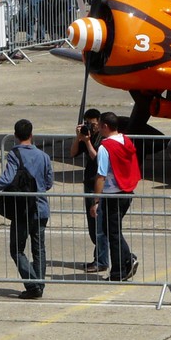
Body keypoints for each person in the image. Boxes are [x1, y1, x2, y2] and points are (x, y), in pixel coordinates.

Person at [0, 118, 53, 299]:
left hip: (22, 209)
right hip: (40, 208)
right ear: (31, 135)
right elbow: (48, 183)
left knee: (17, 249)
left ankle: (33, 285)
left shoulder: (15, 155)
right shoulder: (44, 156)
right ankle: (39, 284)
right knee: (38, 248)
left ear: (16, 136)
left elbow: (6, 179)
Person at [93, 111, 141, 282]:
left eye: (99, 125)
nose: (97, 128)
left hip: (113, 194)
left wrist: (95, 200)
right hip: (126, 190)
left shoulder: (106, 147)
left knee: (112, 233)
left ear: (105, 126)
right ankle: (125, 260)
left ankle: (120, 268)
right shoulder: (125, 140)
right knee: (112, 230)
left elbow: (101, 175)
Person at [70, 107, 108, 273]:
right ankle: (98, 257)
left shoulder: (102, 138)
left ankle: (102, 260)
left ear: (99, 123)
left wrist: (87, 141)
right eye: (87, 123)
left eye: (92, 124)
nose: (90, 127)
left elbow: (97, 158)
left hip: (99, 183)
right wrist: (78, 137)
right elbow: (72, 153)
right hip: (88, 181)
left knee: (100, 225)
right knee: (92, 225)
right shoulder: (87, 136)